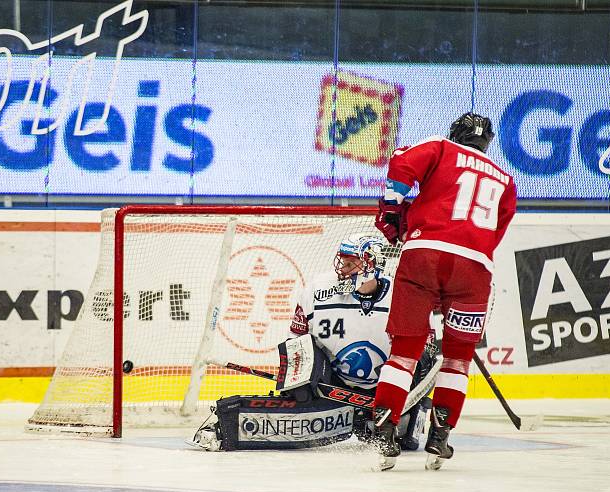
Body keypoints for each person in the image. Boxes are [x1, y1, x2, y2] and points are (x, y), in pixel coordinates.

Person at [189, 234, 437, 452]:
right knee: (300, 389)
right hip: (335, 387)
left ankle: (394, 419)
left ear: (371, 265)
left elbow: (425, 350)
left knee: (422, 367)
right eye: (342, 261)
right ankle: (352, 416)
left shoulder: (406, 296)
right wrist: (297, 379)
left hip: (390, 390)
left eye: (352, 263)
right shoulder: (318, 290)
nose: (343, 268)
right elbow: (296, 339)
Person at [372, 112, 517, 471]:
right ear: (487, 143)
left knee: (405, 352)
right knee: (457, 360)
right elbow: (495, 233)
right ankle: (440, 438)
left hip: (424, 254)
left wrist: (392, 210)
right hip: (474, 268)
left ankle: (385, 431)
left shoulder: (440, 147)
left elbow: (402, 165)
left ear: (456, 133)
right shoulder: (506, 180)